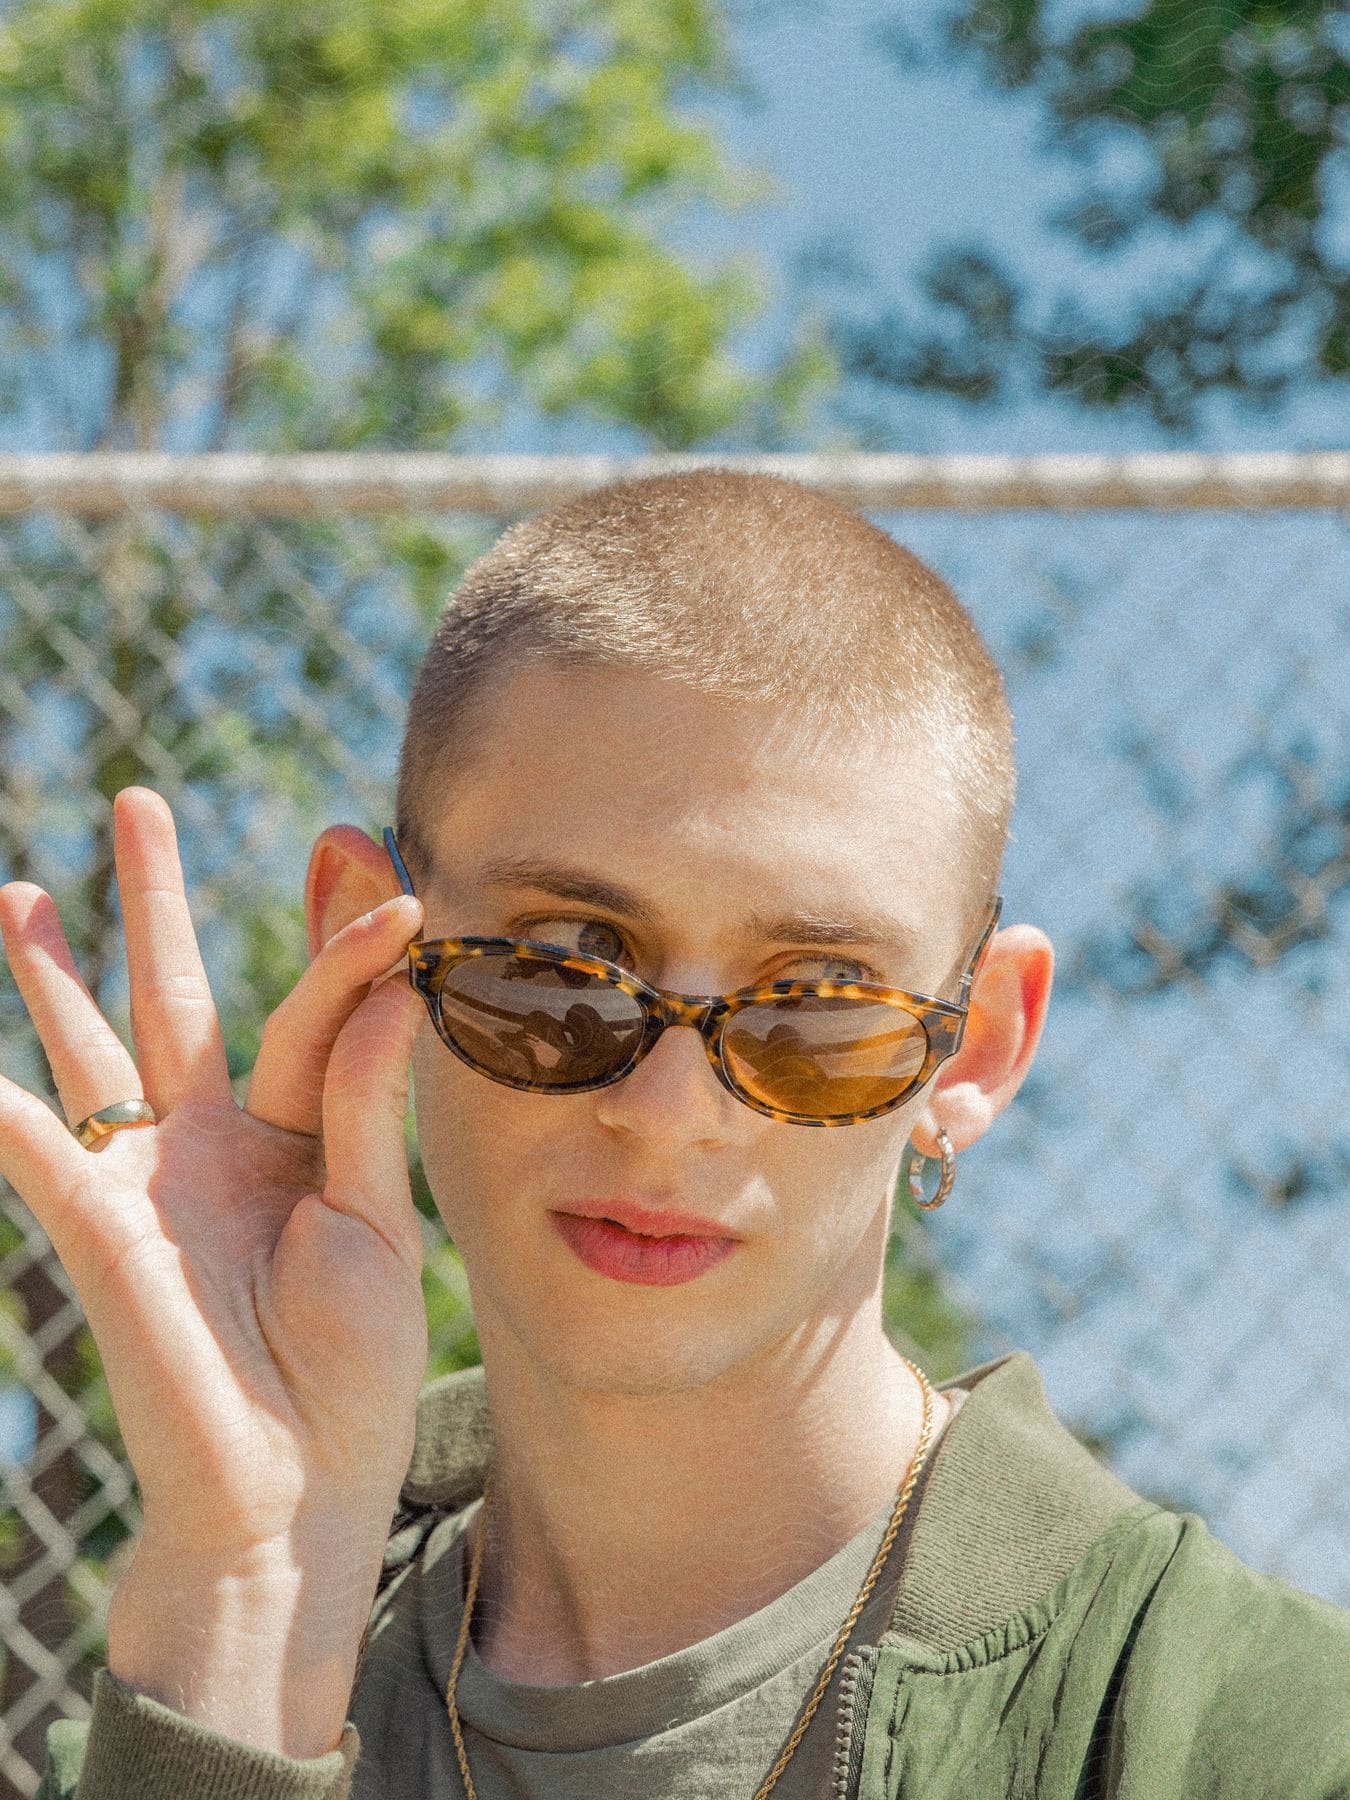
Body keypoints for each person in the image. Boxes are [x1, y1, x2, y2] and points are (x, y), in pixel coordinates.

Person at [5, 470, 1347, 1800]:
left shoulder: (1249, 1735)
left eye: (815, 1009)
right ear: (371, 951)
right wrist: (251, 1591)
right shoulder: (197, 1710)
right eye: (562, 976)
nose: (666, 1114)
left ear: (973, 1043)